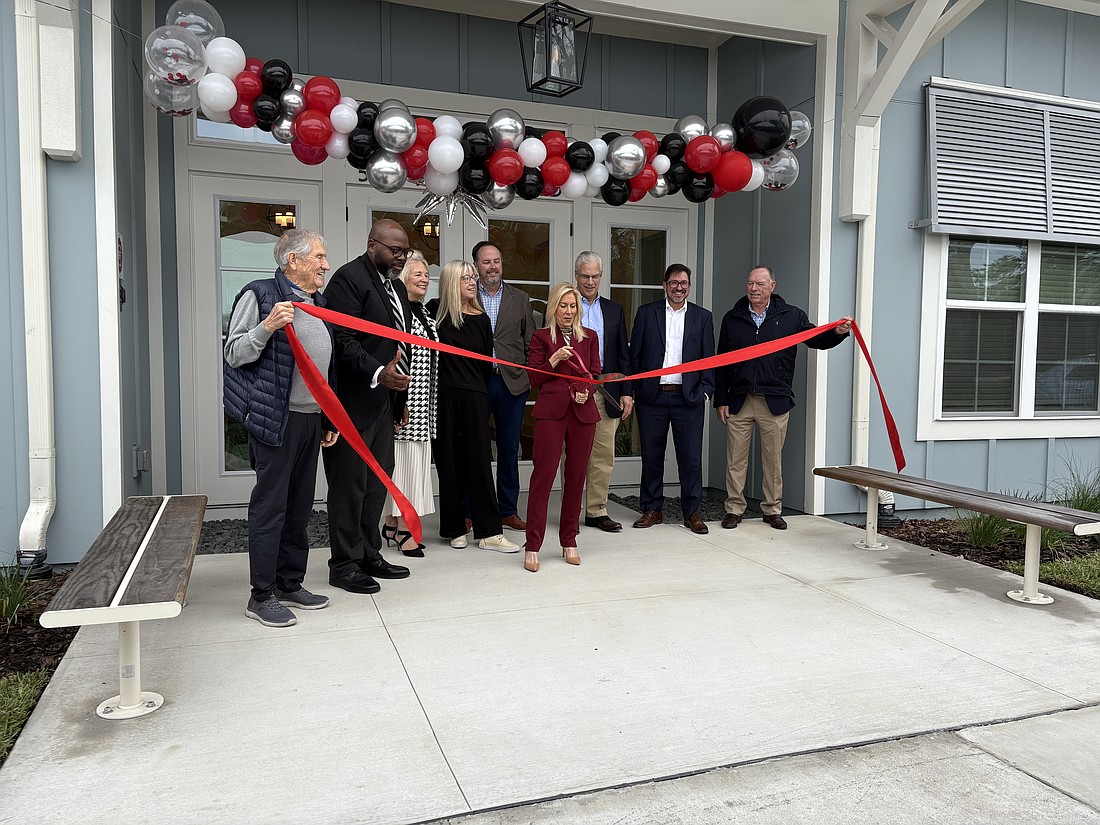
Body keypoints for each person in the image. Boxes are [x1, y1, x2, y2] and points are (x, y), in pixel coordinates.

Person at [223, 228, 338, 628]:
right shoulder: (260, 294)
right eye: (319, 257)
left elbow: (325, 367)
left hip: (310, 420)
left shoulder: (316, 302)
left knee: (300, 507)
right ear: (295, 260)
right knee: (271, 508)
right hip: (277, 419)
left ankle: (290, 582)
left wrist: (327, 418)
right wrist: (267, 326)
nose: (326, 264)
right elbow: (234, 353)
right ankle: (261, 595)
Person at [715, 265, 853, 530]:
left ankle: (772, 509)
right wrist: (721, 398)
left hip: (774, 400)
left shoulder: (792, 316)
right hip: (739, 400)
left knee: (773, 460)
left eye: (760, 284)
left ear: (772, 286)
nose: (754, 289)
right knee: (735, 459)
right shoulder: (733, 317)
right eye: (750, 283)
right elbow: (722, 360)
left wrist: (838, 332)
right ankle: (734, 509)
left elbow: (816, 339)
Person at [321, 219, 413, 595]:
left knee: (376, 484)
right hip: (351, 404)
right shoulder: (348, 279)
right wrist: (377, 373)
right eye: (394, 250)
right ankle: (343, 564)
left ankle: (368, 553)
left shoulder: (398, 289)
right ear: (372, 244)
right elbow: (340, 340)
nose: (400, 258)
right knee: (348, 486)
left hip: (383, 403)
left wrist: (398, 399)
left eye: (404, 252)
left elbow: (399, 347)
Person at [431, 260, 519, 553]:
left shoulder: (481, 318)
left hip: (475, 396)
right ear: (451, 282)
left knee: (480, 463)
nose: (473, 281)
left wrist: (476, 390)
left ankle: (490, 532)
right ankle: (455, 528)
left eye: (472, 277)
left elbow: (483, 364)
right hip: (444, 398)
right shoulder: (435, 314)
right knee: (449, 462)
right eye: (465, 278)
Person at [629, 264, 715, 534]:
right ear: (664, 285)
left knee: (690, 459)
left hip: (687, 398)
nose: (679, 287)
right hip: (652, 398)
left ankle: (692, 512)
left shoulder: (703, 317)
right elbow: (636, 357)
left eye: (684, 283)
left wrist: (705, 390)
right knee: (652, 457)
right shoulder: (646, 314)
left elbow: (709, 359)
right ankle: (652, 509)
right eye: (674, 282)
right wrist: (636, 390)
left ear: (689, 286)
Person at [523, 283, 601, 573]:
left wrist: (586, 392)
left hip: (582, 414)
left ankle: (569, 540)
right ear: (553, 308)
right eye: (562, 306)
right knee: (542, 478)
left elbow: (593, 372)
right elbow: (533, 378)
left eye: (572, 306)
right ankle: (533, 545)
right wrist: (553, 361)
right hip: (551, 414)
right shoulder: (541, 337)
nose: (568, 312)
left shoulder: (590, 337)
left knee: (576, 477)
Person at [473, 241, 536, 533]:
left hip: (511, 383)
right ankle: (473, 511)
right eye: (486, 262)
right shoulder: (467, 293)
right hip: (478, 382)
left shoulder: (520, 298)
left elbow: (530, 341)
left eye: (496, 260)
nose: (492, 267)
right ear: (476, 266)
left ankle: (508, 511)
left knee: (510, 449)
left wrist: (523, 371)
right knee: (475, 449)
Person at [382, 252, 438, 558]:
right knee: (404, 469)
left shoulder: (423, 313)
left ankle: (391, 523)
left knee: (410, 467)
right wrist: (397, 403)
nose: (424, 279)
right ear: (403, 278)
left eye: (427, 275)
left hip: (423, 406)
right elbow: (396, 357)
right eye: (417, 274)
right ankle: (405, 530)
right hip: (404, 405)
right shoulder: (399, 312)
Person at [573, 251, 633, 533]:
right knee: (572, 454)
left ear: (601, 277)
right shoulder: (565, 306)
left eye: (595, 276)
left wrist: (627, 392)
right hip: (573, 390)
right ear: (577, 276)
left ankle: (596, 511)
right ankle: (570, 511)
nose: (590, 281)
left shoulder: (614, 310)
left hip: (606, 391)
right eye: (585, 275)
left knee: (603, 455)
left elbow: (623, 354)